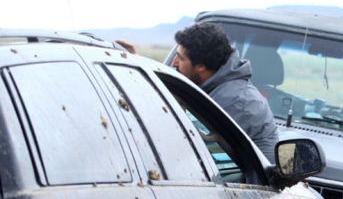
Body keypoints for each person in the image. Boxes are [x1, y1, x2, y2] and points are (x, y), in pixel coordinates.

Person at [116, 25, 281, 163]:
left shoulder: (235, 102)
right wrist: (136, 62)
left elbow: (183, 148)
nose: (174, 62)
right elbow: (172, 89)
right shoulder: (214, 86)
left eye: (180, 58)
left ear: (201, 66)